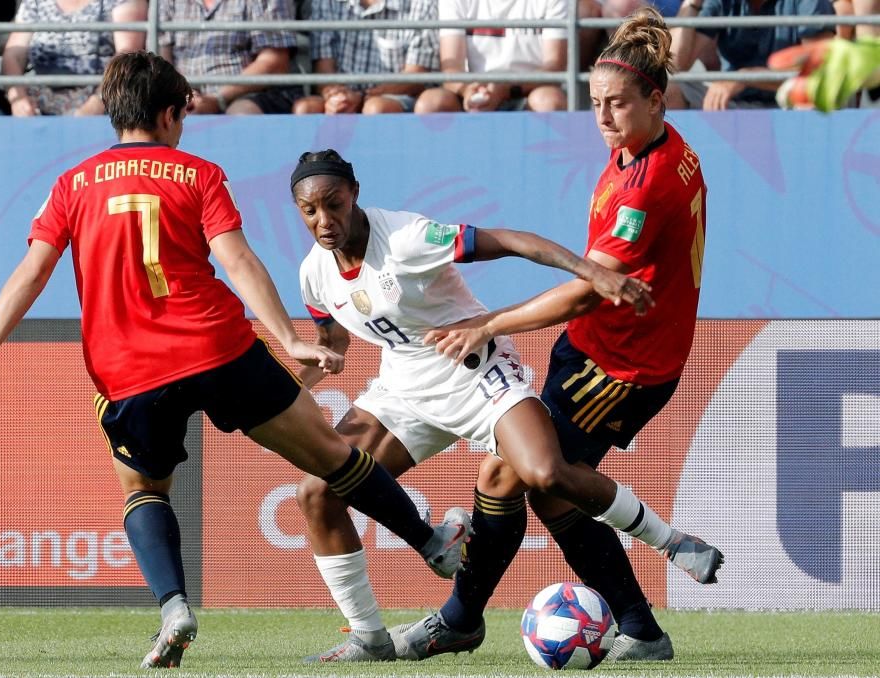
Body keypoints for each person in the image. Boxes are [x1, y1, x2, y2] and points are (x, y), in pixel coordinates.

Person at [0, 51, 471, 670]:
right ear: (167, 112)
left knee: (143, 490)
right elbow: (235, 259)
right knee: (331, 456)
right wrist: (285, 336)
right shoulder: (197, 173)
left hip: (126, 369)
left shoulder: (70, 185)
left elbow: (33, 270)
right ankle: (433, 542)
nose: (185, 124)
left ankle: (174, 606)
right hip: (217, 347)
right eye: (183, 112)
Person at [290, 146, 719, 663]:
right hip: (402, 390)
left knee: (545, 473)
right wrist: (307, 372)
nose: (324, 220)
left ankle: (672, 542)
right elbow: (331, 342)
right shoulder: (314, 272)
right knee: (316, 492)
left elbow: (513, 241)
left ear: (354, 194)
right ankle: (370, 637)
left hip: (476, 373)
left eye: (333, 204)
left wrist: (592, 271)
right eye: (309, 211)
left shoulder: (406, 238)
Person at [393, 6, 721, 662]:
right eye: (595, 102)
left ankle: (462, 617)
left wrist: (485, 322)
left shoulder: (646, 185)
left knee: (510, 476)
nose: (603, 117)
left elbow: (582, 289)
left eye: (618, 104)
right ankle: (638, 626)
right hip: (600, 349)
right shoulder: (646, 146)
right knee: (539, 484)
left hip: (623, 365)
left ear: (656, 101)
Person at [667, 0, 835, 110]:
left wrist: (745, 77)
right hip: (731, 104)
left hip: (790, 103)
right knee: (668, 89)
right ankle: (678, 163)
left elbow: (817, 76)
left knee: (811, 102)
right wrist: (692, 4)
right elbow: (674, 66)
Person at [413, 0, 570, 113]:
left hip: (528, 91)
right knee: (430, 104)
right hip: (475, 91)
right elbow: (451, 70)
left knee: (549, 101)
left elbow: (554, 67)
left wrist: (506, 89)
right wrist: (468, 90)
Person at [291, 0, 439, 115]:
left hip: (398, 97)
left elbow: (415, 77)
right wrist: (336, 96)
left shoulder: (423, 3)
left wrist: (361, 97)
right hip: (345, 94)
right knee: (305, 108)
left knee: (376, 109)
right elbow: (324, 71)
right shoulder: (326, 2)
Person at [1, 0, 147, 116]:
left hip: (102, 100)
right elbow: (13, 55)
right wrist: (18, 99)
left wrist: (98, 102)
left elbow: (127, 54)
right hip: (40, 102)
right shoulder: (35, 2)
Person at [159, 0, 303, 115]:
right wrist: (184, 94)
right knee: (159, 112)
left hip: (254, 94)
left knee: (242, 114)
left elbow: (274, 62)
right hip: (185, 95)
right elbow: (163, 57)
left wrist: (218, 99)